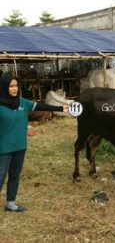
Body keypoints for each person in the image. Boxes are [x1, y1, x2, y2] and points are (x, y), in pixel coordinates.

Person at [0, 74, 69, 212]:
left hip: (20, 146)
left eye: (16, 86)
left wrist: (61, 109)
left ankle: (10, 204)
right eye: (11, 86)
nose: (14, 89)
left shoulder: (22, 102)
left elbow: (41, 106)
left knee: (15, 174)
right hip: (4, 148)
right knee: (0, 176)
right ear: (4, 87)